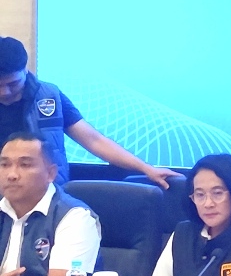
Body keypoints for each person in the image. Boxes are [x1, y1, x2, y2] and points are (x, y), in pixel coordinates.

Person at [0, 37, 177, 188]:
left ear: (25, 70)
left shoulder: (49, 96)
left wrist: (146, 168)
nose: (4, 92)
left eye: (12, 84)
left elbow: (94, 140)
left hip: (46, 195)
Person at [0, 132, 101, 276]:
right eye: (4, 164)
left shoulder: (75, 216)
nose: (12, 175)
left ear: (51, 173)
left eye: (25, 165)